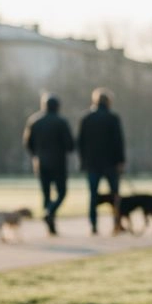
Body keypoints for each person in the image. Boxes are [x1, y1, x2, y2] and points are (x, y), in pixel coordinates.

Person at [22, 93, 75, 235]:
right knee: (62, 192)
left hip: (40, 162)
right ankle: (50, 213)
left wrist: (35, 155)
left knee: (46, 194)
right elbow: (70, 144)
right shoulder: (61, 122)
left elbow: (27, 142)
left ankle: (49, 221)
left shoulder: (34, 121)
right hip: (58, 162)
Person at [77, 87, 126, 235]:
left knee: (93, 196)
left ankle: (93, 225)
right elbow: (119, 142)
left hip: (92, 164)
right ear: (109, 102)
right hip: (111, 163)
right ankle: (117, 223)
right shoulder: (113, 118)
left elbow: (80, 142)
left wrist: (83, 161)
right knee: (115, 195)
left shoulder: (86, 118)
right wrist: (121, 161)